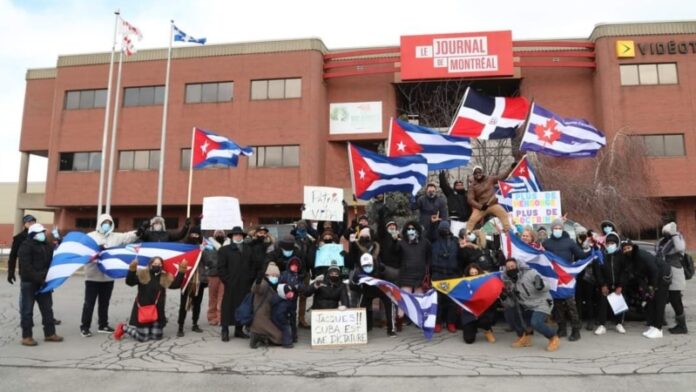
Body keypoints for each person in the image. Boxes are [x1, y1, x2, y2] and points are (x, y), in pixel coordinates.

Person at [81, 214, 143, 337]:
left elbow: (127, 237)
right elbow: (84, 252)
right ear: (100, 223)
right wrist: (96, 249)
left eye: (109, 223)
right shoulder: (90, 237)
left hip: (108, 277)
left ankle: (103, 324)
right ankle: (85, 327)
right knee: (89, 303)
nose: (107, 225)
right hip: (92, 276)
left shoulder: (115, 237)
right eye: (105, 223)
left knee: (104, 303)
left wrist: (139, 231)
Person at [113, 257, 186, 342]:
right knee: (143, 338)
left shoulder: (164, 276)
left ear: (162, 265)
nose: (157, 266)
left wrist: (182, 271)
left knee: (157, 337)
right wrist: (132, 270)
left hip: (157, 311)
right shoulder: (143, 273)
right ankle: (123, 327)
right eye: (155, 264)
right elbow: (130, 282)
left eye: (159, 264)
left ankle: (150, 327)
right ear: (150, 264)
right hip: (143, 310)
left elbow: (176, 285)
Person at [542, 219, 588, 342]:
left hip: (567, 278)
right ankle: (561, 328)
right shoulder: (546, 243)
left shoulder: (569, 242)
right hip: (554, 278)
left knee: (570, 305)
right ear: (552, 229)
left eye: (559, 227)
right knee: (557, 306)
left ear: (562, 229)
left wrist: (588, 248)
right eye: (555, 227)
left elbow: (581, 255)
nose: (557, 229)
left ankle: (576, 330)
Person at [18, 223, 63, 346]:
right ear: (32, 234)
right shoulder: (25, 246)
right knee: (27, 310)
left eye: (43, 232)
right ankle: (27, 336)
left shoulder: (47, 246)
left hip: (44, 283)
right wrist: (39, 278)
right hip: (29, 283)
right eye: (39, 233)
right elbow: (26, 267)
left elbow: (53, 259)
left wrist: (48, 277)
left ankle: (50, 334)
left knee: (47, 309)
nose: (42, 234)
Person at [501, 257, 560, 352]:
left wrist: (541, 285)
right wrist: (504, 297)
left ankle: (553, 337)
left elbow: (547, 285)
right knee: (511, 311)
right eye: (508, 268)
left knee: (536, 322)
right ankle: (525, 337)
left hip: (542, 302)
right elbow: (511, 302)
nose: (511, 269)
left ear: (518, 265)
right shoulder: (509, 282)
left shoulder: (530, 273)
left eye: (513, 266)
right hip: (526, 305)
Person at [621, 239, 671, 339]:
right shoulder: (630, 260)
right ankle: (653, 326)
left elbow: (654, 270)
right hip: (651, 277)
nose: (627, 250)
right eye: (625, 249)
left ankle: (658, 329)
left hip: (662, 274)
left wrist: (653, 286)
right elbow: (639, 275)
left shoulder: (641, 255)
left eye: (629, 247)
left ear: (633, 247)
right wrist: (645, 289)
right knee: (651, 301)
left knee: (659, 302)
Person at [393, 220, 431, 331]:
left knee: (419, 300)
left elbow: (429, 258)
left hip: (420, 276)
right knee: (403, 300)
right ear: (405, 231)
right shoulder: (401, 243)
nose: (411, 231)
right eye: (408, 229)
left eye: (413, 228)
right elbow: (395, 254)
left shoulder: (425, 242)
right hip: (406, 276)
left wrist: (427, 271)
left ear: (417, 230)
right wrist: (395, 241)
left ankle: (419, 321)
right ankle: (399, 320)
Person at [218, 226, 254, 341]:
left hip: (245, 284)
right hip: (231, 284)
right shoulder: (224, 250)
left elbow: (253, 266)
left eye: (240, 235)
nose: (238, 236)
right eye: (235, 234)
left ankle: (239, 330)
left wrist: (250, 278)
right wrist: (227, 280)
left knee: (242, 307)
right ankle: (225, 330)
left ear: (242, 236)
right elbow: (221, 268)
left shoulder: (248, 249)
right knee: (227, 307)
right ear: (232, 237)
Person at [352, 253, 397, 337]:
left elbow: (392, 278)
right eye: (365, 265)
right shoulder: (358, 271)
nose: (367, 267)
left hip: (382, 290)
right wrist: (359, 285)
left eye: (369, 265)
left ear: (373, 263)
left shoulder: (381, 267)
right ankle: (361, 329)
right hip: (367, 290)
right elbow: (353, 284)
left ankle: (391, 329)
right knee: (361, 307)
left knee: (389, 305)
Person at [429, 220, 462, 333]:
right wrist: (433, 224)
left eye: (446, 229)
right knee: (437, 300)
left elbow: (460, 257)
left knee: (451, 301)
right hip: (437, 274)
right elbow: (429, 233)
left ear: (449, 230)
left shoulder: (455, 241)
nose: (444, 231)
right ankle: (437, 323)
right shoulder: (434, 240)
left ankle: (451, 323)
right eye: (442, 229)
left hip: (452, 274)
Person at [656, 222, 688, 335]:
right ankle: (662, 320)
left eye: (667, 231)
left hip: (675, 272)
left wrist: (674, 234)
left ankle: (682, 326)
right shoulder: (663, 241)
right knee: (664, 297)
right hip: (664, 272)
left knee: (675, 299)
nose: (665, 233)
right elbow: (658, 252)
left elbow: (680, 248)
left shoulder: (677, 238)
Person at [594, 232, 628, 335]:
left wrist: (620, 285)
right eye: (608, 243)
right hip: (605, 285)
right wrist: (602, 284)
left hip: (618, 285)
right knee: (603, 304)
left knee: (619, 305)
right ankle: (602, 325)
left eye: (612, 243)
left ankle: (619, 324)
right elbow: (597, 271)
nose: (610, 245)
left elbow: (624, 271)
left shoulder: (622, 255)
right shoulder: (601, 255)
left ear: (617, 244)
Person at [177, 227, 208, 337]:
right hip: (186, 279)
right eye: (193, 234)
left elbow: (209, 262)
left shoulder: (203, 248)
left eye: (197, 235)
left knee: (197, 304)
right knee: (183, 304)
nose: (195, 237)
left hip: (200, 280)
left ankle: (195, 323)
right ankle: (180, 326)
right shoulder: (183, 248)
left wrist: (203, 251)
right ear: (189, 235)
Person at [465, 165, 514, 235]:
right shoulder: (472, 186)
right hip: (482, 207)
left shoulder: (490, 179)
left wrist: (511, 167)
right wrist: (480, 206)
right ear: (474, 175)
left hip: (493, 204)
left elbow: (502, 177)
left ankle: (509, 233)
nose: (478, 174)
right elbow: (470, 200)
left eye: (479, 172)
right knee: (472, 220)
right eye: (476, 173)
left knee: (504, 215)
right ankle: (466, 236)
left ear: (482, 172)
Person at [249, 262, 285, 349]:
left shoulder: (271, 285)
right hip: (261, 318)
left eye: (277, 276)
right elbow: (256, 289)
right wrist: (258, 281)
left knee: (281, 334)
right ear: (267, 275)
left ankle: (259, 335)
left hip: (267, 317)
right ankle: (259, 336)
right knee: (280, 337)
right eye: (273, 275)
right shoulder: (263, 283)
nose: (275, 278)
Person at [461, 263, 496, 344]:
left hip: (482, 311)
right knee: (469, 340)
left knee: (485, 320)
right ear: (468, 274)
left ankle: (487, 330)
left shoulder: (484, 283)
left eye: (476, 273)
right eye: (471, 273)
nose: (474, 275)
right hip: (469, 312)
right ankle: (473, 328)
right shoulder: (463, 284)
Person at [279, 257, 306, 343]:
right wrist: (287, 287)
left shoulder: (298, 276)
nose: (294, 266)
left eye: (296, 265)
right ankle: (284, 335)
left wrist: (296, 287)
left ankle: (293, 335)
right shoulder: (284, 274)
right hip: (283, 299)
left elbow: (302, 287)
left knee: (293, 318)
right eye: (293, 264)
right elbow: (280, 283)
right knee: (283, 317)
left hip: (293, 301)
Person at [204, 230, 227, 325]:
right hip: (213, 274)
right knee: (212, 297)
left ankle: (221, 317)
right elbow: (207, 258)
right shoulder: (209, 245)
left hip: (225, 275)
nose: (219, 234)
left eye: (221, 232)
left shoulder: (228, 244)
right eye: (217, 232)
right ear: (214, 234)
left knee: (222, 298)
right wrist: (217, 264)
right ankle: (212, 317)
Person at [8, 214, 37, 285]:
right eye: (29, 223)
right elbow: (13, 256)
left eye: (33, 223)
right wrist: (11, 272)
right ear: (24, 224)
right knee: (26, 294)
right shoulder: (19, 238)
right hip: (25, 272)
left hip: (40, 271)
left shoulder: (40, 236)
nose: (32, 225)